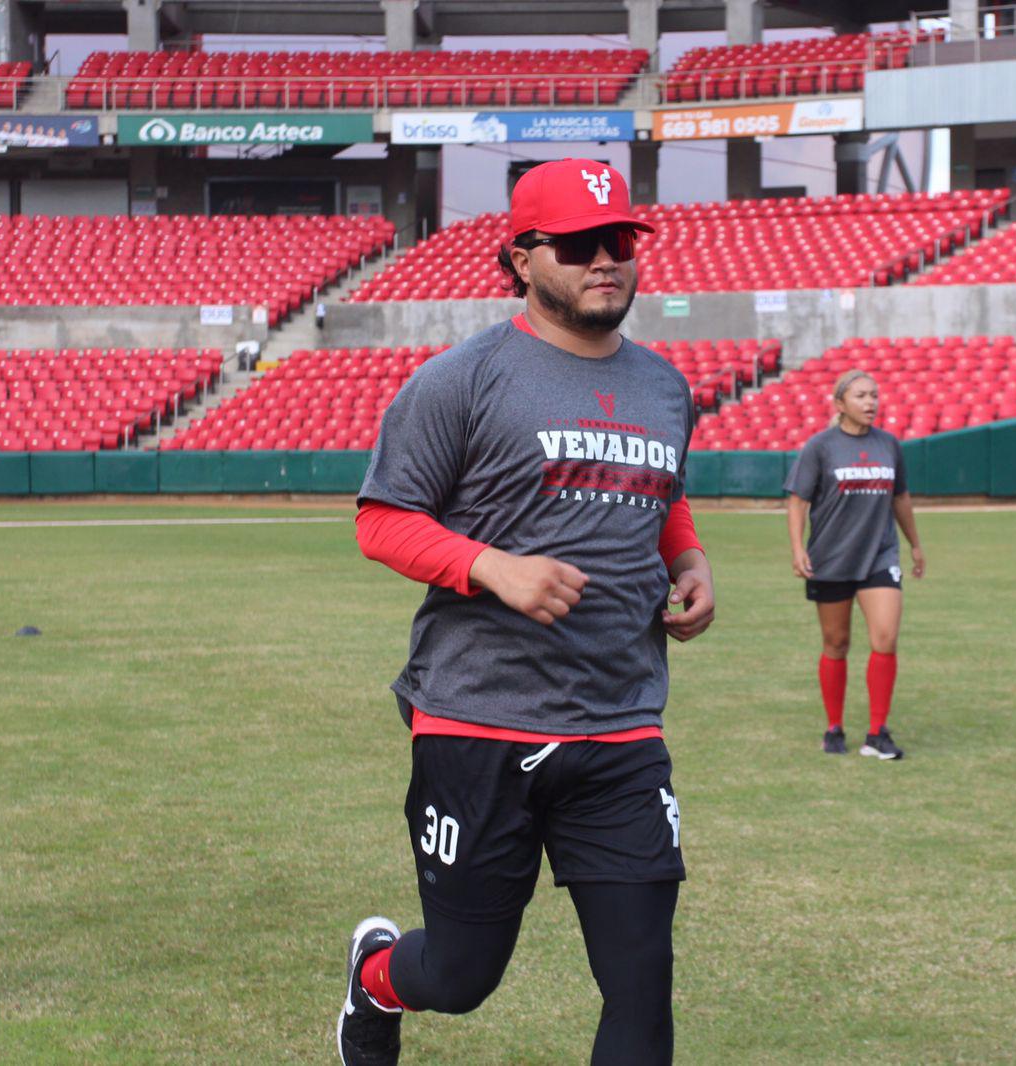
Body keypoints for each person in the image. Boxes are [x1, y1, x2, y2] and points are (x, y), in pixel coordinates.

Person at [337, 158, 714, 1066]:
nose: (606, 259)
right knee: (462, 975)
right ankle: (375, 980)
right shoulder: (462, 379)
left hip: (620, 726)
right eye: (580, 244)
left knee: (642, 990)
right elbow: (382, 520)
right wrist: (490, 569)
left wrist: (689, 558)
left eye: (620, 241)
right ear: (520, 258)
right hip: (478, 719)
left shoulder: (666, 386)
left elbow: (663, 493)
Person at [785, 369, 923, 761]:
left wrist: (915, 545)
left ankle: (878, 732)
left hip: (880, 555)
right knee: (836, 643)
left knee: (885, 638)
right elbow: (798, 501)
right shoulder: (820, 447)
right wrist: (798, 548)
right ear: (840, 403)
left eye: (874, 395)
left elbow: (901, 499)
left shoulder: (889, 445)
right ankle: (834, 727)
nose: (870, 402)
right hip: (831, 557)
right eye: (861, 395)